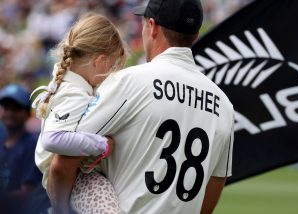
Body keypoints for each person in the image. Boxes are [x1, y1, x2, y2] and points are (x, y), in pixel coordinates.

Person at [49, 0, 234, 213]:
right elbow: (212, 189)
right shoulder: (224, 105)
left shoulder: (128, 82)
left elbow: (63, 163)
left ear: (152, 27)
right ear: (195, 34)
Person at [33, 13, 126, 213]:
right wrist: (100, 144)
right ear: (100, 61)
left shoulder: (68, 84)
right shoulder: (75, 94)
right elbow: (52, 138)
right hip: (77, 180)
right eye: (112, 65)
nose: (111, 72)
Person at [0, 84, 48, 213]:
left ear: (27, 114)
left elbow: (28, 193)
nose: (10, 112)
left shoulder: (32, 143)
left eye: (16, 108)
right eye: (6, 107)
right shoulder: (2, 141)